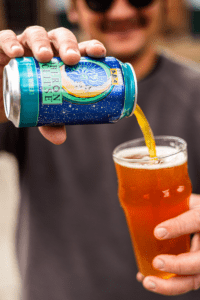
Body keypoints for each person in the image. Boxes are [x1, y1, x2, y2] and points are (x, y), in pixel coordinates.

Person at [0, 0, 200, 299]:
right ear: (74, 10)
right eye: (99, 0)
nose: (121, 12)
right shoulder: (39, 80)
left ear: (165, 5)